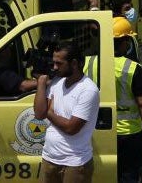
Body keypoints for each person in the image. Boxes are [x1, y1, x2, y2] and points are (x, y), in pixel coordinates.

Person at [34, 43, 99, 183]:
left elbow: (71, 128)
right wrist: (41, 83)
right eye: (54, 63)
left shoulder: (88, 90)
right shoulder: (57, 82)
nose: (54, 67)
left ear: (74, 63)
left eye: (59, 63)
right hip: (49, 158)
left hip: (75, 163)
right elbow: (39, 113)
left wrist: (49, 112)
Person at [107, 18, 142, 183]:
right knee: (129, 175)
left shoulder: (91, 63)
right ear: (125, 41)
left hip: (102, 130)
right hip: (130, 132)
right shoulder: (132, 68)